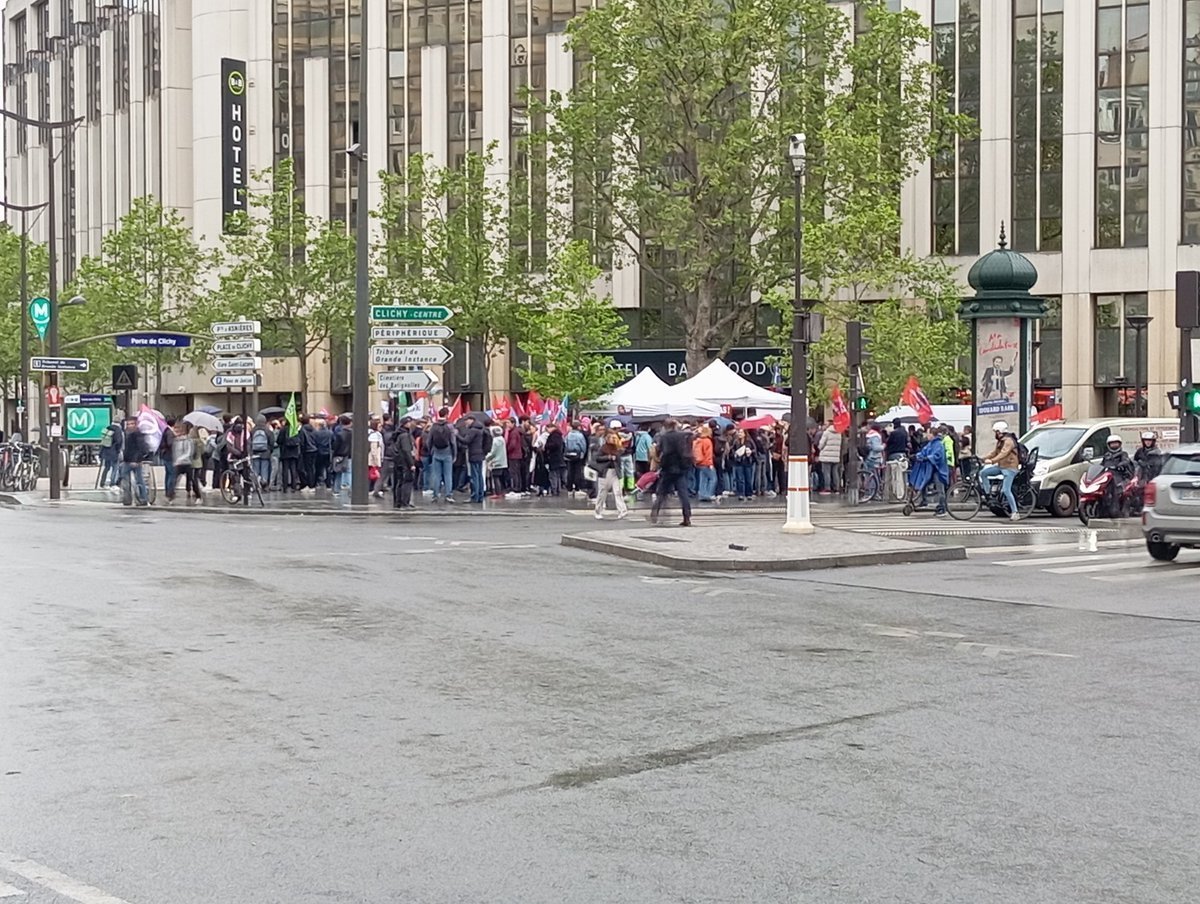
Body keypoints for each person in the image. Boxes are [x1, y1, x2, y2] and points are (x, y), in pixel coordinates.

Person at [651, 419, 693, 526]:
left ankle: (655, 514)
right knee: (683, 493)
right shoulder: (682, 436)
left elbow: (661, 450)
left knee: (661, 492)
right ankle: (687, 516)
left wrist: (660, 462)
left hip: (668, 467)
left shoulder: (664, 436)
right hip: (681, 467)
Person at [978, 420, 1021, 521]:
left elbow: (1003, 453)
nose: (995, 434)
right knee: (983, 473)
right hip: (1002, 467)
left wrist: (992, 461)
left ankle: (1015, 512)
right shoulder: (1001, 441)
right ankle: (989, 495)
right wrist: (983, 458)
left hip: (1010, 468)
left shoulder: (1008, 441)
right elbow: (994, 452)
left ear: (1000, 431)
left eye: (996, 432)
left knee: (1006, 490)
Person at [592, 421, 629, 520]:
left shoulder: (617, 448)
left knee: (618, 491)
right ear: (606, 439)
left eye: (614, 438)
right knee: (602, 493)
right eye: (611, 438)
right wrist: (608, 457)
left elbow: (619, 459)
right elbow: (597, 458)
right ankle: (598, 511)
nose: (613, 439)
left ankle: (622, 510)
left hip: (614, 472)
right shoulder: (603, 448)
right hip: (605, 472)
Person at [915, 425, 950, 516]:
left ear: (932, 434)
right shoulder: (930, 444)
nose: (926, 435)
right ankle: (924, 500)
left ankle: (942, 508)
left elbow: (937, 456)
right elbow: (924, 451)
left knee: (940, 489)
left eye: (928, 433)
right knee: (923, 484)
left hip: (938, 470)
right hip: (930, 469)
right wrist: (918, 455)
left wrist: (927, 458)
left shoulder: (938, 444)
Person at [426, 408, 457, 503]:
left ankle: (435, 495)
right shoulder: (450, 426)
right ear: (447, 414)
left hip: (436, 452)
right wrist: (454, 454)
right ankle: (448, 495)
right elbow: (453, 441)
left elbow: (428, 441)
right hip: (447, 452)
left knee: (436, 475)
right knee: (448, 475)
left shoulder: (433, 426)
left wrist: (431, 451)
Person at [1100, 433, 1135, 515]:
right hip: (1107, 476)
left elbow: (1125, 461)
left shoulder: (1123, 454)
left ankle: (1116, 508)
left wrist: (1119, 466)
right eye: (1112, 443)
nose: (1114, 445)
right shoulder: (1107, 455)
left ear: (1119, 444)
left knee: (1116, 489)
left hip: (1119, 476)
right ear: (1109, 445)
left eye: (1116, 443)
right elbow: (1102, 464)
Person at [119, 416, 150, 506]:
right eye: (128, 424)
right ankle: (128, 499)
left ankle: (143, 499)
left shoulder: (137, 434)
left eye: (132, 424)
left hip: (134, 461)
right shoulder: (127, 434)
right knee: (126, 480)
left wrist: (135, 460)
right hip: (127, 460)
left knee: (139, 481)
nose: (130, 426)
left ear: (136, 424)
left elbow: (141, 449)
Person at [391, 416, 418, 509]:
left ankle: (398, 502)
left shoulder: (399, 434)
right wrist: (411, 464)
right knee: (407, 481)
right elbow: (407, 450)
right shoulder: (405, 436)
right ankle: (404, 502)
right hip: (405, 462)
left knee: (400, 481)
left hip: (399, 461)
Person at [730, 429, 756, 501]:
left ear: (745, 434)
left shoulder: (749, 441)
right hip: (739, 462)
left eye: (741, 432)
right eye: (739, 432)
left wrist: (751, 452)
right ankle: (741, 493)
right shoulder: (735, 441)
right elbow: (731, 450)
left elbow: (754, 449)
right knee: (740, 479)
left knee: (748, 478)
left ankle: (749, 494)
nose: (740, 434)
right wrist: (734, 454)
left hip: (747, 461)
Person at [817, 421, 842, 496]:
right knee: (835, 472)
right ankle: (836, 488)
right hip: (836, 455)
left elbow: (821, 444)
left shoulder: (826, 433)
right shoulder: (839, 433)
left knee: (826, 472)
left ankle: (827, 488)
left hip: (826, 455)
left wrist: (819, 448)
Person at [564, 421, 589, 496]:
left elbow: (565, 443)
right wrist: (583, 454)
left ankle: (569, 488)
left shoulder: (569, 435)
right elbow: (583, 445)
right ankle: (577, 487)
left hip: (569, 454)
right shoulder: (580, 436)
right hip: (578, 454)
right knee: (577, 471)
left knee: (570, 471)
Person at [693, 424, 716, 502]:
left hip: (699, 463)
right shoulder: (707, 441)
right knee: (713, 478)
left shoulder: (699, 440)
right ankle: (708, 495)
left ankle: (702, 494)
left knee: (703, 479)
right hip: (706, 463)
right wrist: (710, 464)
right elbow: (708, 454)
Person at [330, 415, 353, 495]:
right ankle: (350, 489)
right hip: (349, 455)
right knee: (349, 472)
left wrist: (334, 454)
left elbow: (335, 446)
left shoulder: (339, 434)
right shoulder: (353, 433)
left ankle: (336, 490)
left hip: (340, 455)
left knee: (338, 472)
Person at [484, 424, 508, 499]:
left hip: (496, 461)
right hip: (502, 461)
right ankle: (502, 491)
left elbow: (493, 452)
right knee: (500, 477)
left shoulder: (495, 441)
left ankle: (498, 493)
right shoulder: (502, 439)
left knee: (495, 477)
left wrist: (486, 458)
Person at [98, 419, 123, 488]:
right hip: (114, 452)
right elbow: (119, 441)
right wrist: (118, 450)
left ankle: (102, 482)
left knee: (107, 468)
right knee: (115, 468)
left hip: (106, 452)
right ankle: (113, 483)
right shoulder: (118, 430)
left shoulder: (108, 428)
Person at [249, 416, 273, 489]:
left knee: (255, 469)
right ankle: (264, 483)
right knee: (264, 469)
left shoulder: (253, 431)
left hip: (255, 452)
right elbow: (272, 442)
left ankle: (256, 484)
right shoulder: (267, 430)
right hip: (265, 453)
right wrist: (269, 450)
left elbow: (250, 441)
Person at [545, 422, 566, 496]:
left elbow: (554, 445)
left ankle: (554, 490)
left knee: (553, 474)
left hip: (554, 457)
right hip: (558, 457)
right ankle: (557, 489)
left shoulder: (554, 435)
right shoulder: (559, 435)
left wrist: (547, 446)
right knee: (557, 475)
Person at [368, 419, 385, 497]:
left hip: (374, 457)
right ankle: (371, 489)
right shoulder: (374, 435)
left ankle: (372, 489)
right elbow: (374, 449)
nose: (381, 427)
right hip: (373, 459)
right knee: (374, 474)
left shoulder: (374, 434)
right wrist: (376, 461)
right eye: (379, 426)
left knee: (372, 474)